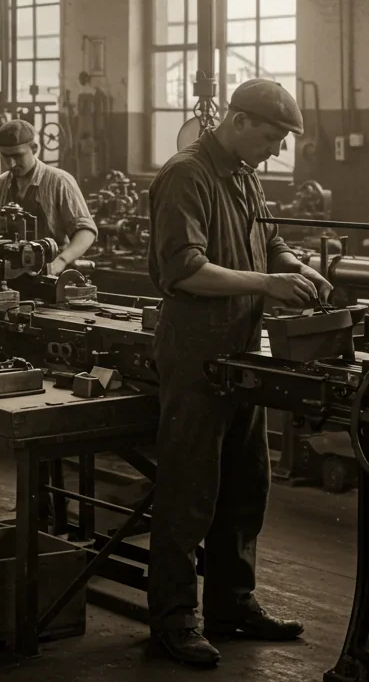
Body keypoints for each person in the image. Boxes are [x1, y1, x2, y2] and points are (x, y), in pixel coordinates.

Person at [144, 79, 333, 669]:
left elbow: (268, 243)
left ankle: (232, 604)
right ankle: (175, 620)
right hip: (198, 355)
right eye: (273, 137)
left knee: (247, 484)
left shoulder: (245, 177)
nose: (276, 151)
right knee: (190, 490)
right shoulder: (187, 174)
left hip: (243, 352)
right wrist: (268, 285)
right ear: (239, 120)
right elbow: (185, 270)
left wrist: (296, 268)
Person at [0, 120, 97, 274]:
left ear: (34, 148)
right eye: (6, 156)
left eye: (17, 156)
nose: (11, 164)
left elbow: (86, 231)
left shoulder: (59, 181)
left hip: (51, 272)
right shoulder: (1, 184)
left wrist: (61, 261)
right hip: (9, 274)